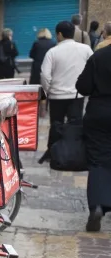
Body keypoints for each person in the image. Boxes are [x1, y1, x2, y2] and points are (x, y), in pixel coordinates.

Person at [38, 21, 93, 164]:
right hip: (77, 95)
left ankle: (53, 153)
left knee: (56, 124)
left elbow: (44, 75)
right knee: (75, 125)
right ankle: (76, 152)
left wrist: (48, 89)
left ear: (59, 34)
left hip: (57, 96)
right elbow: (92, 69)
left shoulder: (53, 52)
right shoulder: (86, 49)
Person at [76, 45, 111, 231]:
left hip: (99, 113)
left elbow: (83, 86)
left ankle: (97, 206)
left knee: (97, 160)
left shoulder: (99, 56)